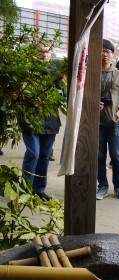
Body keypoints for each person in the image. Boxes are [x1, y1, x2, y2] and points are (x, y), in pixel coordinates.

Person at [21, 42, 63, 201]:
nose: (44, 54)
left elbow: (63, 93)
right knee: (33, 153)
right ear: (34, 53)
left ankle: (39, 189)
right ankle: (25, 188)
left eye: (47, 51)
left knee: (45, 156)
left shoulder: (55, 72)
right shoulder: (26, 71)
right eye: (41, 51)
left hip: (50, 121)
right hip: (31, 120)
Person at [96, 39, 119, 201]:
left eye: (108, 51)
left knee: (117, 157)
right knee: (99, 156)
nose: (104, 54)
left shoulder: (118, 75)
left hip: (116, 124)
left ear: (112, 54)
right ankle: (102, 186)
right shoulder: (91, 73)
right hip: (97, 123)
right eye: (102, 50)